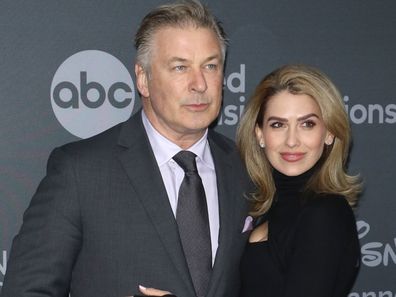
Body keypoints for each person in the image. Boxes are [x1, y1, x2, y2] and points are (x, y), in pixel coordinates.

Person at [1, 1, 250, 296]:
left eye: (210, 66)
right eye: (180, 67)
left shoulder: (245, 168)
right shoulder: (80, 172)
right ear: (143, 79)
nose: (199, 84)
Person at [236, 64, 362, 297]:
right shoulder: (267, 208)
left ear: (329, 132)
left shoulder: (324, 213)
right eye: (278, 125)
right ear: (260, 135)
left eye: (307, 124)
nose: (292, 140)